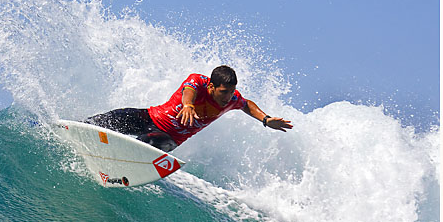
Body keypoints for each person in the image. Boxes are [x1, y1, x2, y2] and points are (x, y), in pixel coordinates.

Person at [85, 65, 293, 152]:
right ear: (211, 86)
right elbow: (188, 90)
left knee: (145, 144)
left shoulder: (232, 99)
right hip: (150, 117)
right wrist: (188, 105)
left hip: (168, 137)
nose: (228, 97)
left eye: (231, 92)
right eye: (223, 92)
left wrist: (266, 120)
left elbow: (247, 104)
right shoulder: (198, 81)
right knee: (108, 119)